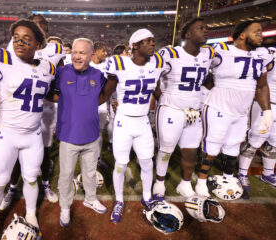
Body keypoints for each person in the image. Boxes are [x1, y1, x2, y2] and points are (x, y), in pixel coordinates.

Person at [0, 19, 53, 239]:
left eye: (26, 39)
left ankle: (31, 214)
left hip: (33, 135)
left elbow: (47, 94)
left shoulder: (48, 67)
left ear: (38, 45)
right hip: (7, 134)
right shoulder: (1, 59)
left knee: (31, 177)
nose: (19, 42)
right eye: (16, 38)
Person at [197, 20, 272, 197]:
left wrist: (267, 111)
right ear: (242, 35)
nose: (261, 35)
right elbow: (198, 69)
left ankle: (228, 179)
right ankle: (201, 182)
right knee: (211, 147)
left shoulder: (260, 56)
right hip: (218, 107)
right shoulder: (221, 50)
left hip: (241, 112)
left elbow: (261, 86)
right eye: (257, 32)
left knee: (233, 147)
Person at [48, 38, 117, 227]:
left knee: (90, 171)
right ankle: (65, 206)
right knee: (66, 174)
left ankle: (90, 198)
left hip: (92, 135)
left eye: (82, 53)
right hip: (69, 135)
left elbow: (103, 95)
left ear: (91, 55)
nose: (77, 56)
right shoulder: (61, 73)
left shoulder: (97, 74)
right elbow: (49, 93)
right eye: (75, 52)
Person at [0, 14, 65, 210]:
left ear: (45, 29)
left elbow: (59, 76)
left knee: (44, 150)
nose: (38, 27)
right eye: (34, 24)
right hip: (19, 108)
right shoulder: (13, 48)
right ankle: (12, 187)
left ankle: (45, 183)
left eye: (41, 25)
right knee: (15, 151)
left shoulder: (55, 49)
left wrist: (53, 94)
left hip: (45, 109)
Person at [152, 18, 214, 200]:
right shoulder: (170, 53)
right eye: (200, 28)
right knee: (166, 149)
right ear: (188, 34)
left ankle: (185, 184)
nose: (206, 30)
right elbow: (153, 76)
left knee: (191, 151)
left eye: (206, 27)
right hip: (171, 109)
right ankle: (160, 182)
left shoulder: (207, 54)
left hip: (194, 110)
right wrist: (160, 97)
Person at [108, 29, 165, 223]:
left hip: (143, 121)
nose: (152, 44)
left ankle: (147, 196)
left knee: (147, 161)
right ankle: (119, 201)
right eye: (147, 41)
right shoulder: (118, 63)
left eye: (153, 40)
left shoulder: (157, 63)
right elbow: (106, 91)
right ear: (134, 45)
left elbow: (158, 90)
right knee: (121, 164)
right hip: (124, 121)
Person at [238, 46, 275, 198]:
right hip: (265, 104)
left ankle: (268, 173)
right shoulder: (270, 53)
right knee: (255, 140)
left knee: (274, 142)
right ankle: (242, 174)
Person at [90, 41, 109, 169]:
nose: (106, 53)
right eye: (103, 50)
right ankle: (88, 159)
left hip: (101, 105)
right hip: (87, 105)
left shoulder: (107, 66)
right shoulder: (86, 65)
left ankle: (97, 158)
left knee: (99, 133)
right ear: (96, 51)